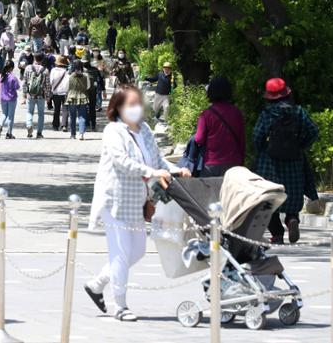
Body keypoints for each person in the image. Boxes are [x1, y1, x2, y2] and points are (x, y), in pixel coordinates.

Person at [85, 86, 190, 321]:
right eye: (130, 104)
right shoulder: (113, 131)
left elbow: (158, 158)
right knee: (121, 252)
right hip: (116, 199)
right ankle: (120, 306)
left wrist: (176, 169)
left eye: (137, 104)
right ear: (118, 108)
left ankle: (96, 284)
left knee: (138, 251)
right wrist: (152, 171)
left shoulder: (144, 130)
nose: (135, 108)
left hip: (137, 201)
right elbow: (122, 161)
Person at [253, 78, 320, 244]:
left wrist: (264, 149)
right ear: (286, 94)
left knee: (268, 201)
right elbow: (313, 131)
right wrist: (300, 146)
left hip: (270, 165)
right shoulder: (299, 112)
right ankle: (292, 220)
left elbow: (257, 137)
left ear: (269, 97)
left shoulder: (267, 114)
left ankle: (276, 234)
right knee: (291, 198)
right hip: (294, 163)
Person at [194, 76, 245, 177]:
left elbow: (199, 139)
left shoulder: (206, 114)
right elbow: (242, 140)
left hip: (212, 164)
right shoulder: (236, 112)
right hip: (234, 163)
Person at [22, 52, 51, 138]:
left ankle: (29, 125)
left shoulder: (28, 68)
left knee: (29, 112)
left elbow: (25, 82)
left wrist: (24, 94)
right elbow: (47, 85)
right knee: (41, 114)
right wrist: (48, 96)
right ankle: (39, 133)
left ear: (34, 58)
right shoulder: (45, 70)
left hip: (30, 95)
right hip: (41, 95)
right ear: (42, 59)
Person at [0, 60, 20, 139]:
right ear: (12, 68)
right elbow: (17, 87)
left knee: (4, 114)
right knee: (10, 116)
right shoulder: (13, 77)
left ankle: (0, 125)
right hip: (12, 98)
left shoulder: (1, 76)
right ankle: (9, 133)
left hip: (3, 98)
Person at [66, 60, 89, 140]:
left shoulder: (69, 76)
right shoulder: (86, 75)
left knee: (72, 116)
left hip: (71, 97)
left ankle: (73, 135)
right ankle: (81, 134)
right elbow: (88, 87)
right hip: (83, 97)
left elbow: (66, 87)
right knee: (82, 116)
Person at [50, 55, 70, 131]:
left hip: (56, 92)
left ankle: (55, 125)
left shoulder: (53, 70)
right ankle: (64, 125)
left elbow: (51, 81)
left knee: (56, 109)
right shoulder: (67, 71)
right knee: (65, 109)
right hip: (65, 93)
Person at [83, 55, 102, 131]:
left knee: (85, 108)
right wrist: (102, 90)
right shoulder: (95, 70)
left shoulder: (81, 70)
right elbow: (100, 80)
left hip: (84, 92)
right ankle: (93, 125)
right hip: (93, 92)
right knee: (92, 109)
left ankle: (87, 124)